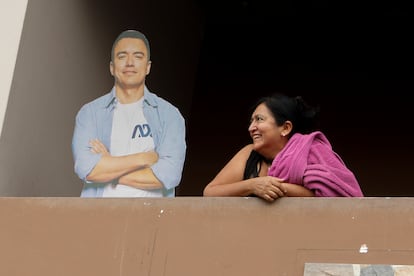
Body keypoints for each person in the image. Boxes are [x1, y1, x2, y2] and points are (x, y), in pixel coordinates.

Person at [71, 30, 186, 197]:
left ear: (148, 67)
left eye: (138, 56)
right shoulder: (89, 114)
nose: (130, 63)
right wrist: (143, 158)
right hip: (99, 218)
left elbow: (169, 175)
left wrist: (109, 165)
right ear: (112, 67)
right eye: (122, 56)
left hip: (150, 220)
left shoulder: (170, 116)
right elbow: (87, 169)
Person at [203, 93, 363, 202]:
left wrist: (278, 188)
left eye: (259, 119)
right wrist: (253, 185)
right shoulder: (249, 153)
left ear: (285, 128)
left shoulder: (312, 152)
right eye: (251, 121)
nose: (251, 128)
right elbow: (210, 192)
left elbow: (333, 195)